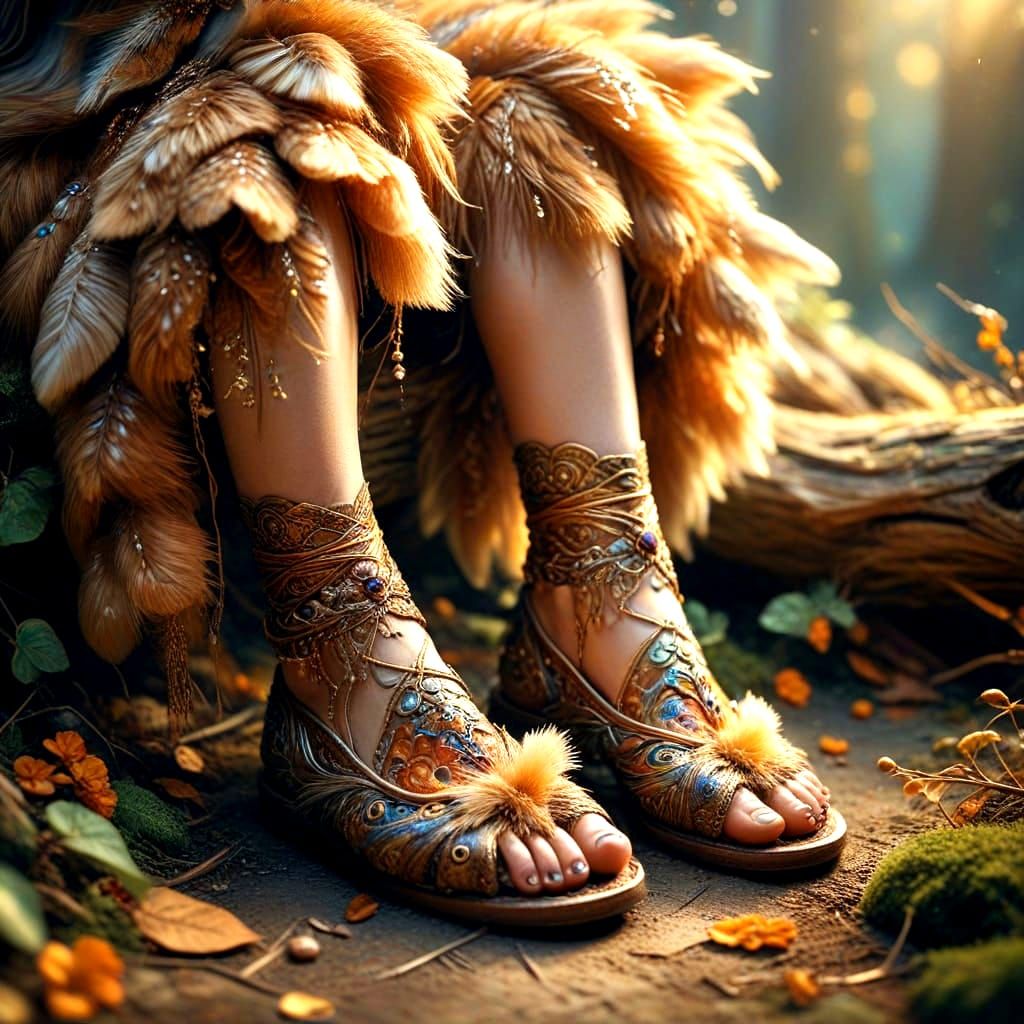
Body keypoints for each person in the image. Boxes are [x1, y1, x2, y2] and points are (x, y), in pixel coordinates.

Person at [0, 0, 844, 926]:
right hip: (86, 62)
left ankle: (600, 596)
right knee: (265, 129)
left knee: (530, 114)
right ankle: (342, 659)